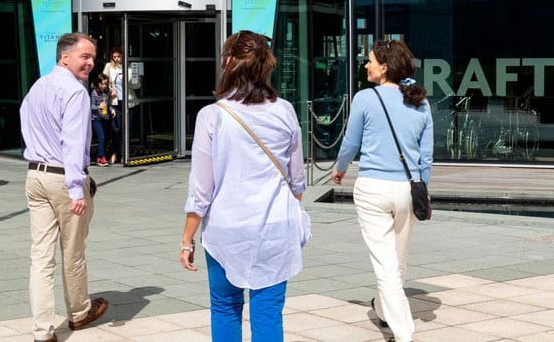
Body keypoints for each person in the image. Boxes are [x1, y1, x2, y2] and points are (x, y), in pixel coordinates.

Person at [180, 31, 308, 341]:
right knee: (267, 313)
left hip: (227, 228)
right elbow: (297, 181)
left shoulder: (212, 116)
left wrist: (187, 238)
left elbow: (201, 188)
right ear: (267, 66)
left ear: (227, 62)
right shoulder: (285, 110)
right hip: (276, 226)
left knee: (224, 308)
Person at [331, 39, 433, 342]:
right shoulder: (419, 101)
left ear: (384, 67)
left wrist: (340, 167)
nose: (366, 64)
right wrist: (423, 187)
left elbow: (351, 142)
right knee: (397, 259)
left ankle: (404, 333)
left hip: (373, 188)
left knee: (386, 263)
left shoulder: (365, 98)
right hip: (408, 187)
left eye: (370, 60)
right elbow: (425, 156)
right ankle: (383, 308)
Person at [20, 32, 109, 342]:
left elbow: (24, 121)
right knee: (72, 252)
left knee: (40, 257)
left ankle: (43, 332)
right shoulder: (75, 92)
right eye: (85, 57)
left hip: (35, 176)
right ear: (65, 57)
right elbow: (73, 142)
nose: (91, 63)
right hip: (62, 178)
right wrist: (75, 188)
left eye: (93, 58)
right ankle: (79, 312)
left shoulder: (37, 87)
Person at [102, 46, 139, 164]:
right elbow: (102, 82)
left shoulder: (132, 67)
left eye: (118, 56)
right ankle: (115, 152)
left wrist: (127, 81)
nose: (116, 59)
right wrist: (109, 90)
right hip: (115, 102)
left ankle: (125, 154)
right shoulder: (109, 66)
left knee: (127, 129)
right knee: (116, 129)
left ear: (123, 56)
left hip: (129, 102)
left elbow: (137, 86)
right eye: (114, 57)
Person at [90, 73, 114, 166]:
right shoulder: (94, 93)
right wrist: (98, 106)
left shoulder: (106, 92)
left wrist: (111, 110)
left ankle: (100, 157)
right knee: (101, 137)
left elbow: (108, 104)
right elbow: (91, 106)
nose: (104, 86)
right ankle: (101, 156)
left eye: (105, 84)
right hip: (96, 118)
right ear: (98, 84)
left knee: (104, 138)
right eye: (102, 84)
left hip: (105, 117)